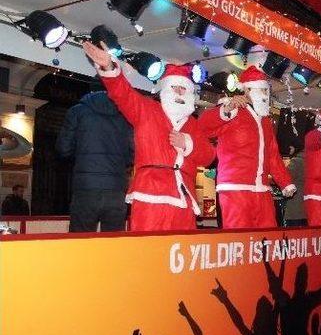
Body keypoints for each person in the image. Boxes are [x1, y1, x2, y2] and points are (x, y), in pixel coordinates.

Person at [82, 41, 216, 231]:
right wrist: (109, 67)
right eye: (175, 88)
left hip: (184, 200)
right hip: (150, 196)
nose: (179, 92)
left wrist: (187, 143)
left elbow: (209, 156)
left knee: (181, 256)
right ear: (166, 90)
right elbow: (123, 94)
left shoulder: (193, 125)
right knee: (147, 254)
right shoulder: (146, 110)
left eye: (183, 89)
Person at [198, 65, 296, 229]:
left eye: (266, 91)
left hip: (263, 190)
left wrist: (285, 182)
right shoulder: (232, 109)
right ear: (247, 90)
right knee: (239, 240)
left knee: (267, 239)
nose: (265, 95)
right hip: (235, 189)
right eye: (261, 90)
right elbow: (203, 128)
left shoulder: (265, 121)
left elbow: (272, 155)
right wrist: (226, 109)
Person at [56, 88, 133, 232]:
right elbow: (133, 153)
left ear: (91, 89)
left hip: (86, 188)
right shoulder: (125, 115)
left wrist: (82, 154)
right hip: (116, 190)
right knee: (113, 244)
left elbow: (63, 149)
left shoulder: (77, 111)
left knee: (80, 243)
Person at [284, 147, 307, 227]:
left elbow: (286, 176)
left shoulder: (296, 161)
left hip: (296, 206)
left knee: (293, 235)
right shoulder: (313, 161)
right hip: (309, 206)